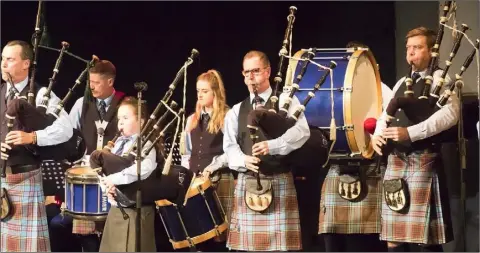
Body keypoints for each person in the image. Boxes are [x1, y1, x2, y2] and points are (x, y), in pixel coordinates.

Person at [372, 26, 458, 251]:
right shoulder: (402, 83)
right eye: (408, 48)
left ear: (432, 51)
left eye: (417, 48)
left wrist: (411, 132)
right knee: (394, 236)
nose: (410, 53)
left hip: (422, 159)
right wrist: (377, 136)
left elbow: (450, 115)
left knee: (425, 235)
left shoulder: (441, 79)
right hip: (396, 161)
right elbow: (386, 114)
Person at [223, 50, 309, 251]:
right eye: (246, 73)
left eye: (255, 71)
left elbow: (302, 131)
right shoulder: (236, 110)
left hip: (279, 179)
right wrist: (243, 160)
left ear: (268, 71)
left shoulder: (286, 100)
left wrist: (273, 145)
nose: (251, 77)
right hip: (249, 182)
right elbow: (229, 146)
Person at [318, 41, 392, 252]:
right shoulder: (332, 90)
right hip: (337, 167)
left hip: (369, 169)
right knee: (332, 236)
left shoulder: (383, 92)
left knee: (366, 242)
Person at [0, 40, 73, 252]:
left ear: (26, 64)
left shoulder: (41, 94)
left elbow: (65, 129)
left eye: (10, 59)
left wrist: (33, 137)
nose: (3, 64)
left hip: (26, 179)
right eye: (2, 59)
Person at [49, 59, 125, 251]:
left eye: (97, 82)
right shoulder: (82, 104)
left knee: (110, 231)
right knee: (84, 231)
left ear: (110, 82)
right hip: (86, 178)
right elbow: (68, 134)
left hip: (115, 178)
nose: (91, 86)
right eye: (90, 82)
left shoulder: (125, 105)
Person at [180, 69, 234, 251]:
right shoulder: (191, 119)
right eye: (198, 91)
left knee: (220, 237)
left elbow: (232, 151)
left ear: (215, 92)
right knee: (198, 236)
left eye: (205, 91)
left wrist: (213, 166)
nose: (200, 95)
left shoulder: (227, 117)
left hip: (219, 182)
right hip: (195, 185)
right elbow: (187, 154)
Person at [97, 96, 157, 252]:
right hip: (116, 210)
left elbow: (143, 169)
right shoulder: (117, 145)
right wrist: (106, 188)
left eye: (126, 117)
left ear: (141, 122)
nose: (120, 122)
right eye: (119, 119)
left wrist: (114, 180)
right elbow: (103, 171)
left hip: (136, 212)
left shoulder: (146, 144)